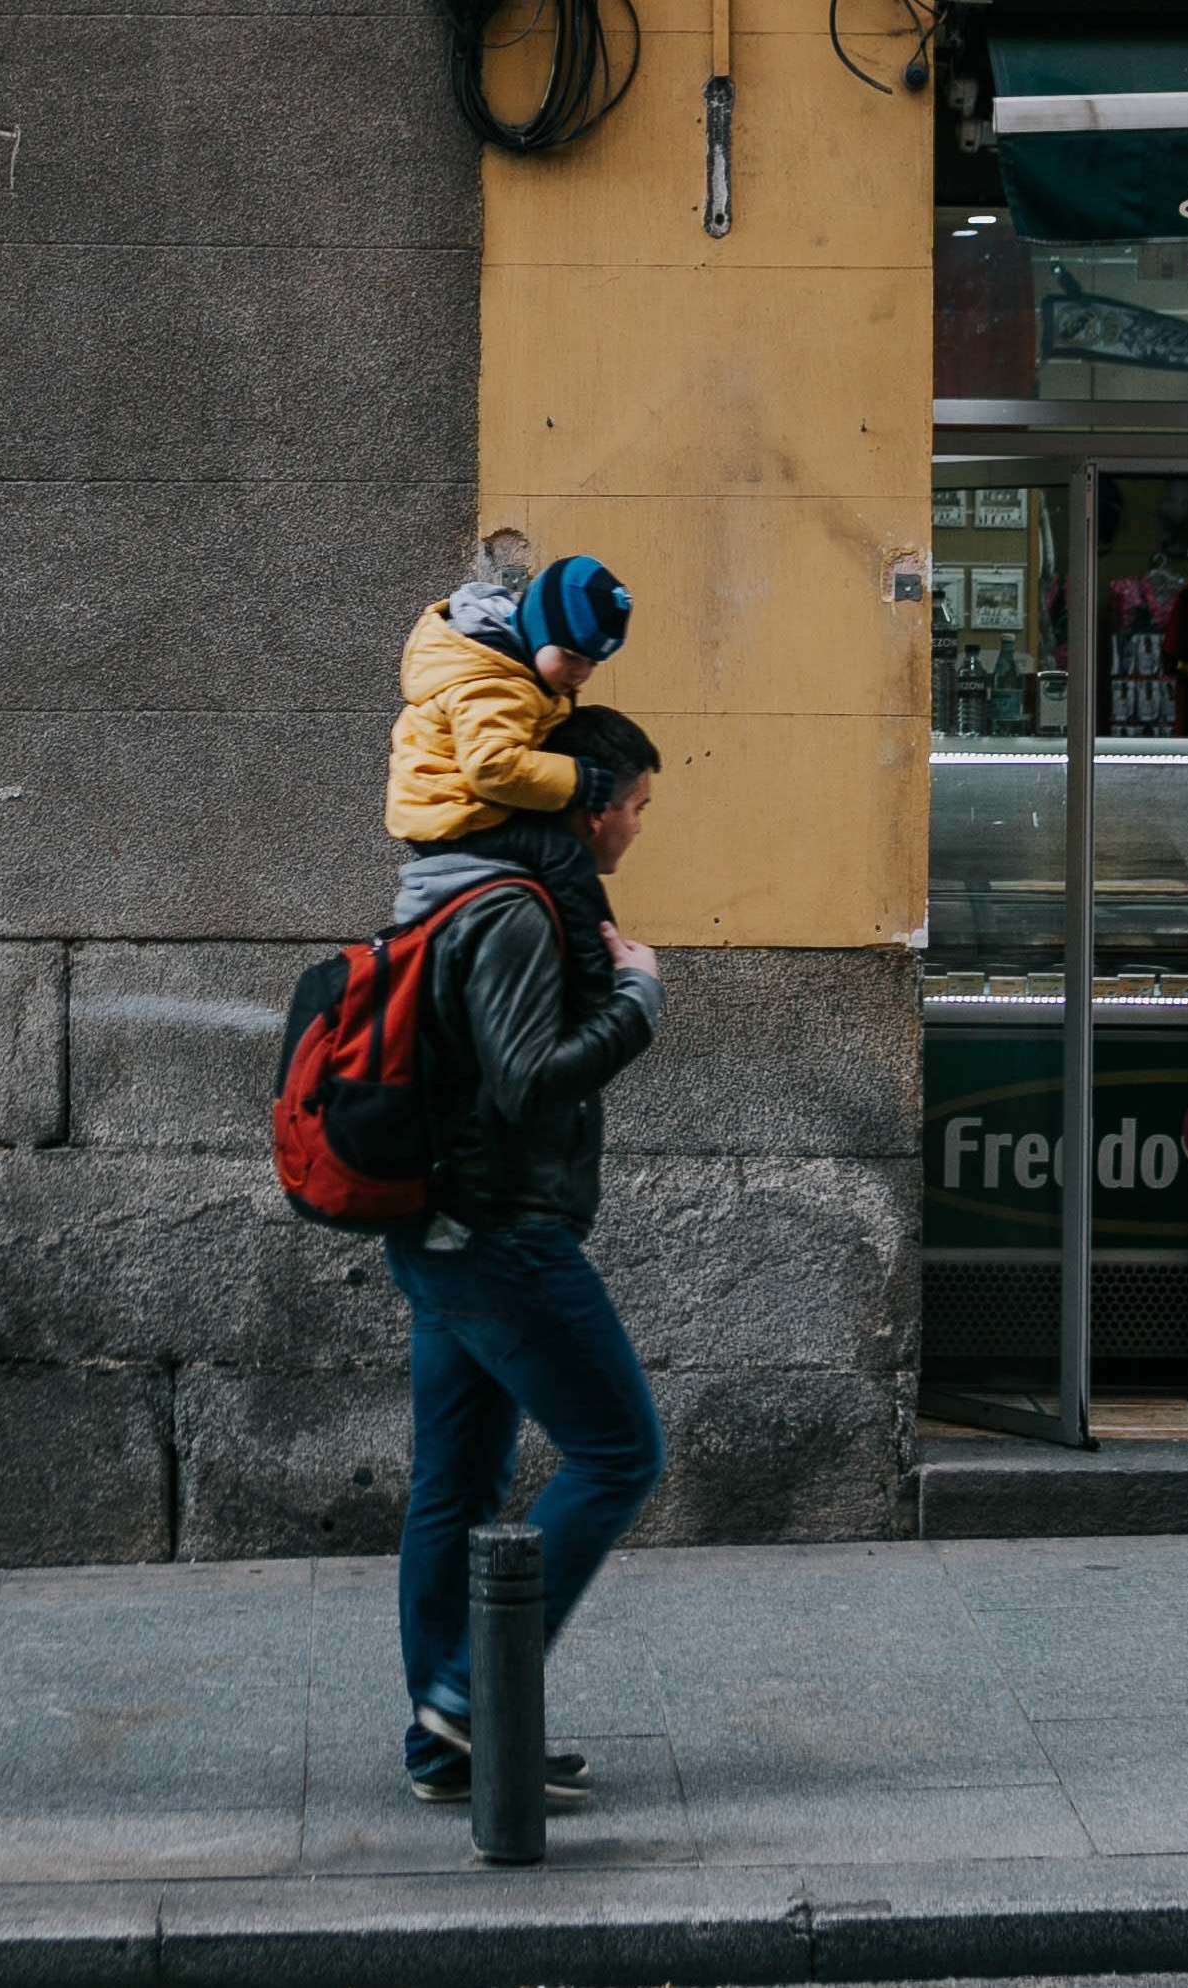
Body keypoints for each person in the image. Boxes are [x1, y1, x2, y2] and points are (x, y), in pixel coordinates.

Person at [384, 702, 668, 1806]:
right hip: (496, 1233)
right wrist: (639, 1001)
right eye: (638, 805)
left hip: (448, 1230)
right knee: (618, 1451)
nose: (641, 827)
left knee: (455, 1486)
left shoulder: (470, 882)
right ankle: (464, 1699)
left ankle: (451, 1734)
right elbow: (527, 1077)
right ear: (588, 804)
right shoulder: (512, 908)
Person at [385, 555, 634, 1010]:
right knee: (563, 856)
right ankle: (599, 982)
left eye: (593, 663)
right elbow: (493, 767)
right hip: (451, 815)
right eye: (572, 656)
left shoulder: (515, 665)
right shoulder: (497, 682)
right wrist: (577, 779)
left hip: (458, 804)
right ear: (539, 627)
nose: (580, 673)